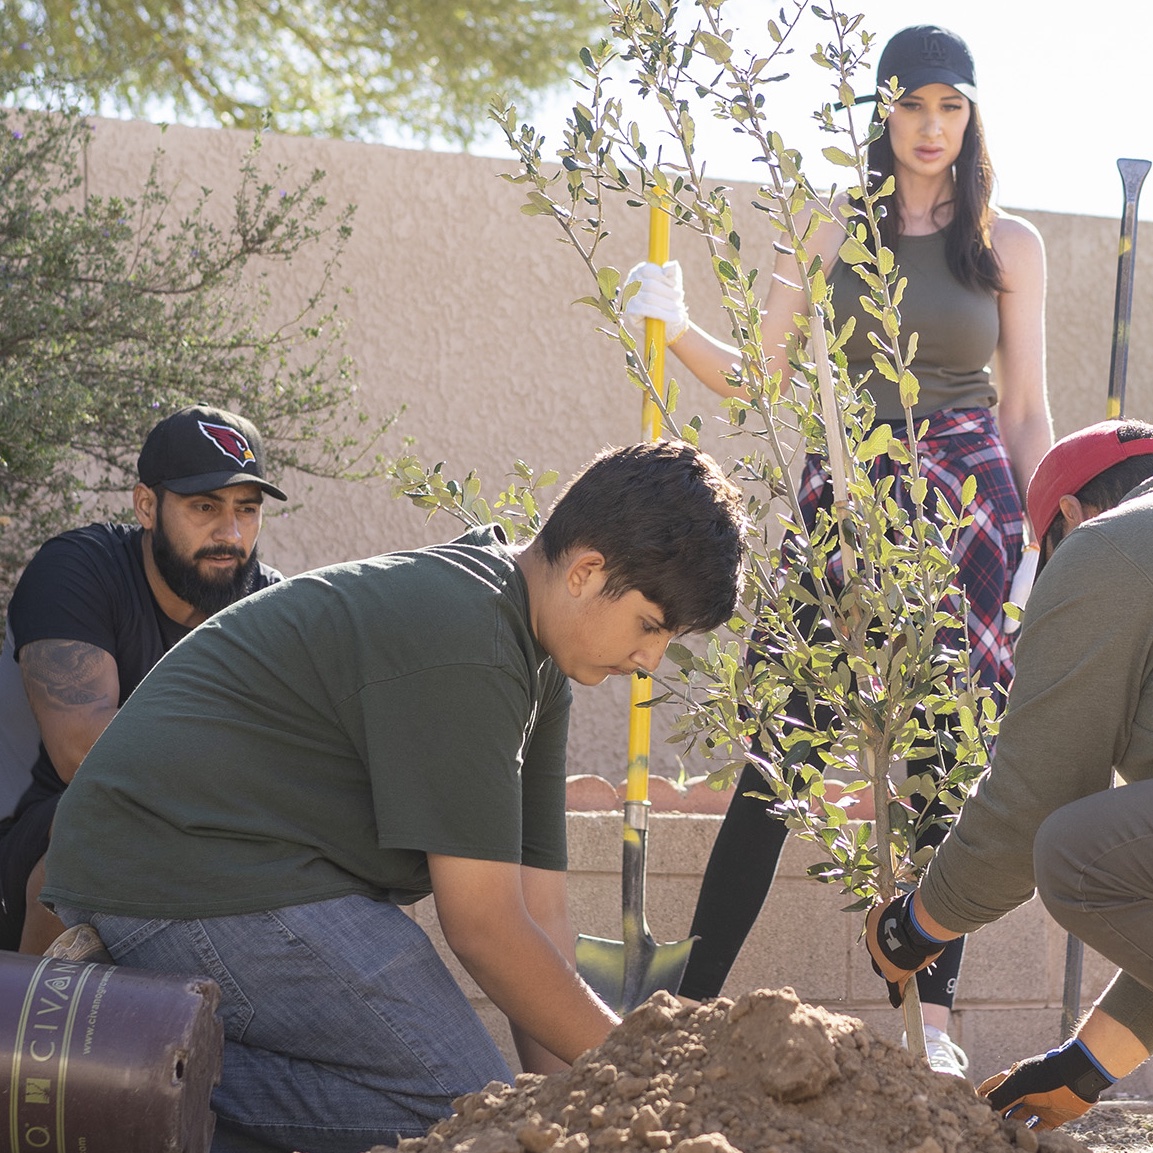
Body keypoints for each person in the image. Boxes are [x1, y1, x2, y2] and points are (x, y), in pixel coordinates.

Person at [40, 439, 749, 1153]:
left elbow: (541, 918)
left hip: (250, 873)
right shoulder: (468, 639)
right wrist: (653, 1085)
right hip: (184, 862)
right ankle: (104, 1062)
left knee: (482, 1115)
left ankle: (127, 1036)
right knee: (463, 1117)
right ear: (587, 570)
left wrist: (574, 1115)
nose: (650, 661)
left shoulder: (535, 666)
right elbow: (484, 928)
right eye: (651, 625)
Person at [623, 23, 1052, 1074]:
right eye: (912, 105)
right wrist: (674, 326)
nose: (931, 128)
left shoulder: (1009, 243)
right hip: (844, 505)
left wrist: (1045, 534)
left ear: (972, 115)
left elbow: (1025, 405)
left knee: (944, 763)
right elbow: (761, 381)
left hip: (968, 511)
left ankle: (934, 1026)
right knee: (780, 752)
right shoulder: (825, 225)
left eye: (951, 107)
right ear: (881, 110)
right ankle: (687, 1008)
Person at [866, 417, 1153, 1128]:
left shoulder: (1104, 547)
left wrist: (913, 927)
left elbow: (1029, 806)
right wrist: (1088, 1062)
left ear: (1068, 516)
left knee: (1078, 853)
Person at [0, 403, 287, 955]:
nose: (229, 532)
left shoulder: (269, 603)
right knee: (110, 810)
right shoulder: (77, 571)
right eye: (205, 506)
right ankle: (22, 1026)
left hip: (185, 846)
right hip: (28, 847)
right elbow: (85, 753)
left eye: (247, 510)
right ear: (147, 505)